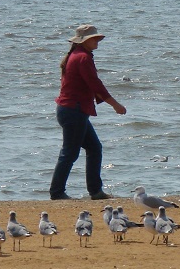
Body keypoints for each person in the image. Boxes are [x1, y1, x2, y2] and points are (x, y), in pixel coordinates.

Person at [49, 24, 126, 200]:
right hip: (73, 111)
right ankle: (57, 192)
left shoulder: (77, 56)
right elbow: (95, 84)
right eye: (94, 38)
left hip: (72, 110)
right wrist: (115, 105)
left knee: (94, 147)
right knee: (70, 153)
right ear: (85, 41)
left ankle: (95, 191)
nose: (97, 41)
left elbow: (91, 85)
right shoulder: (82, 58)